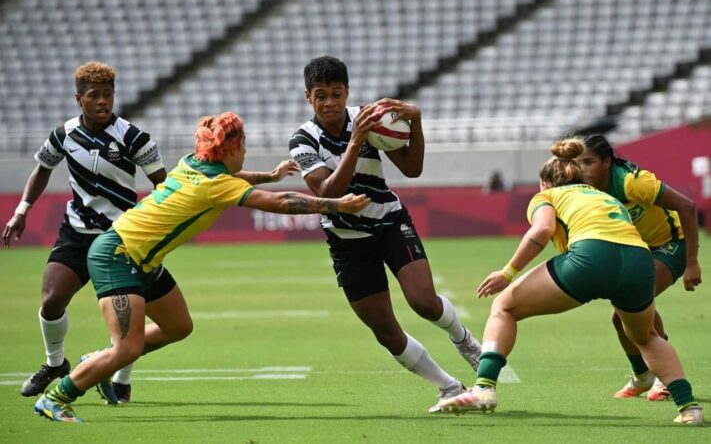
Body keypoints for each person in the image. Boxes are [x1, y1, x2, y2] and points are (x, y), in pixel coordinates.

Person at [33, 111, 370, 423]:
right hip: (117, 255)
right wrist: (336, 204)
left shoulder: (192, 163)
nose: (245, 151)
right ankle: (56, 398)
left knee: (178, 326)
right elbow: (281, 202)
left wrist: (269, 175)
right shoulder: (218, 186)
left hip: (142, 258)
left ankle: (98, 365)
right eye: (243, 145)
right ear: (230, 148)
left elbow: (232, 177)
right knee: (128, 348)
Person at [439, 139, 702, 425]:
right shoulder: (606, 196)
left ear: (544, 183)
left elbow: (541, 231)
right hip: (639, 259)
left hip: (592, 256)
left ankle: (484, 387)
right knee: (647, 336)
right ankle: (689, 407)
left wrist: (507, 273)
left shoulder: (547, 197)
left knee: (505, 307)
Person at [288, 56, 481, 413]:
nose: (329, 102)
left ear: (347, 92)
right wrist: (355, 140)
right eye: (320, 95)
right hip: (347, 241)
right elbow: (328, 193)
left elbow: (412, 168)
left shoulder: (373, 119)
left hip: (390, 222)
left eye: (336, 93)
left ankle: (465, 341)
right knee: (385, 330)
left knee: (423, 301)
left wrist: (416, 121)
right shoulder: (302, 141)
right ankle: (450, 388)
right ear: (308, 97)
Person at [3, 62, 168, 404]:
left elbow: (163, 185)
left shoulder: (134, 138)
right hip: (76, 233)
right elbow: (42, 169)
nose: (103, 101)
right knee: (51, 300)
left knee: (130, 318)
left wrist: (150, 223)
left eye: (108, 94)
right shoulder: (63, 134)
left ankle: (120, 379)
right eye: (95, 95)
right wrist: (21, 210)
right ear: (79, 99)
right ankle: (55, 364)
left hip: (122, 238)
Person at [576, 134, 702, 400]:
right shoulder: (583, 188)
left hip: (671, 244)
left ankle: (667, 379)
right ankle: (643, 376)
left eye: (588, 162)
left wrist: (692, 262)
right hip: (638, 251)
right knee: (619, 315)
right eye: (578, 163)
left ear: (607, 162)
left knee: (636, 301)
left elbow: (687, 206)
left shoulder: (632, 182)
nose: (582, 169)